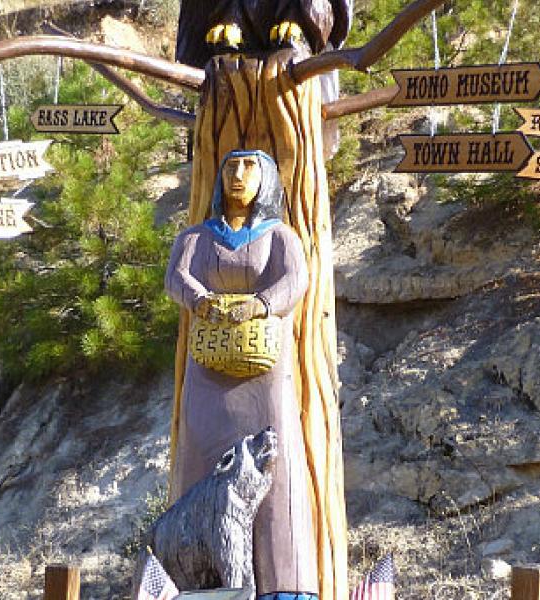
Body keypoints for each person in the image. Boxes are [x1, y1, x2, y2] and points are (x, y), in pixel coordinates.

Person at [165, 149, 317, 600]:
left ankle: (283, 584)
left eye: (250, 167)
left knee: (276, 465)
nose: (238, 176)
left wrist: (261, 304)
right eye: (231, 167)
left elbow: (295, 281)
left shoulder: (280, 236)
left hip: (264, 369)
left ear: (266, 179)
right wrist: (200, 300)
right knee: (199, 460)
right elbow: (176, 277)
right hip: (206, 369)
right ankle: (195, 580)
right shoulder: (195, 237)